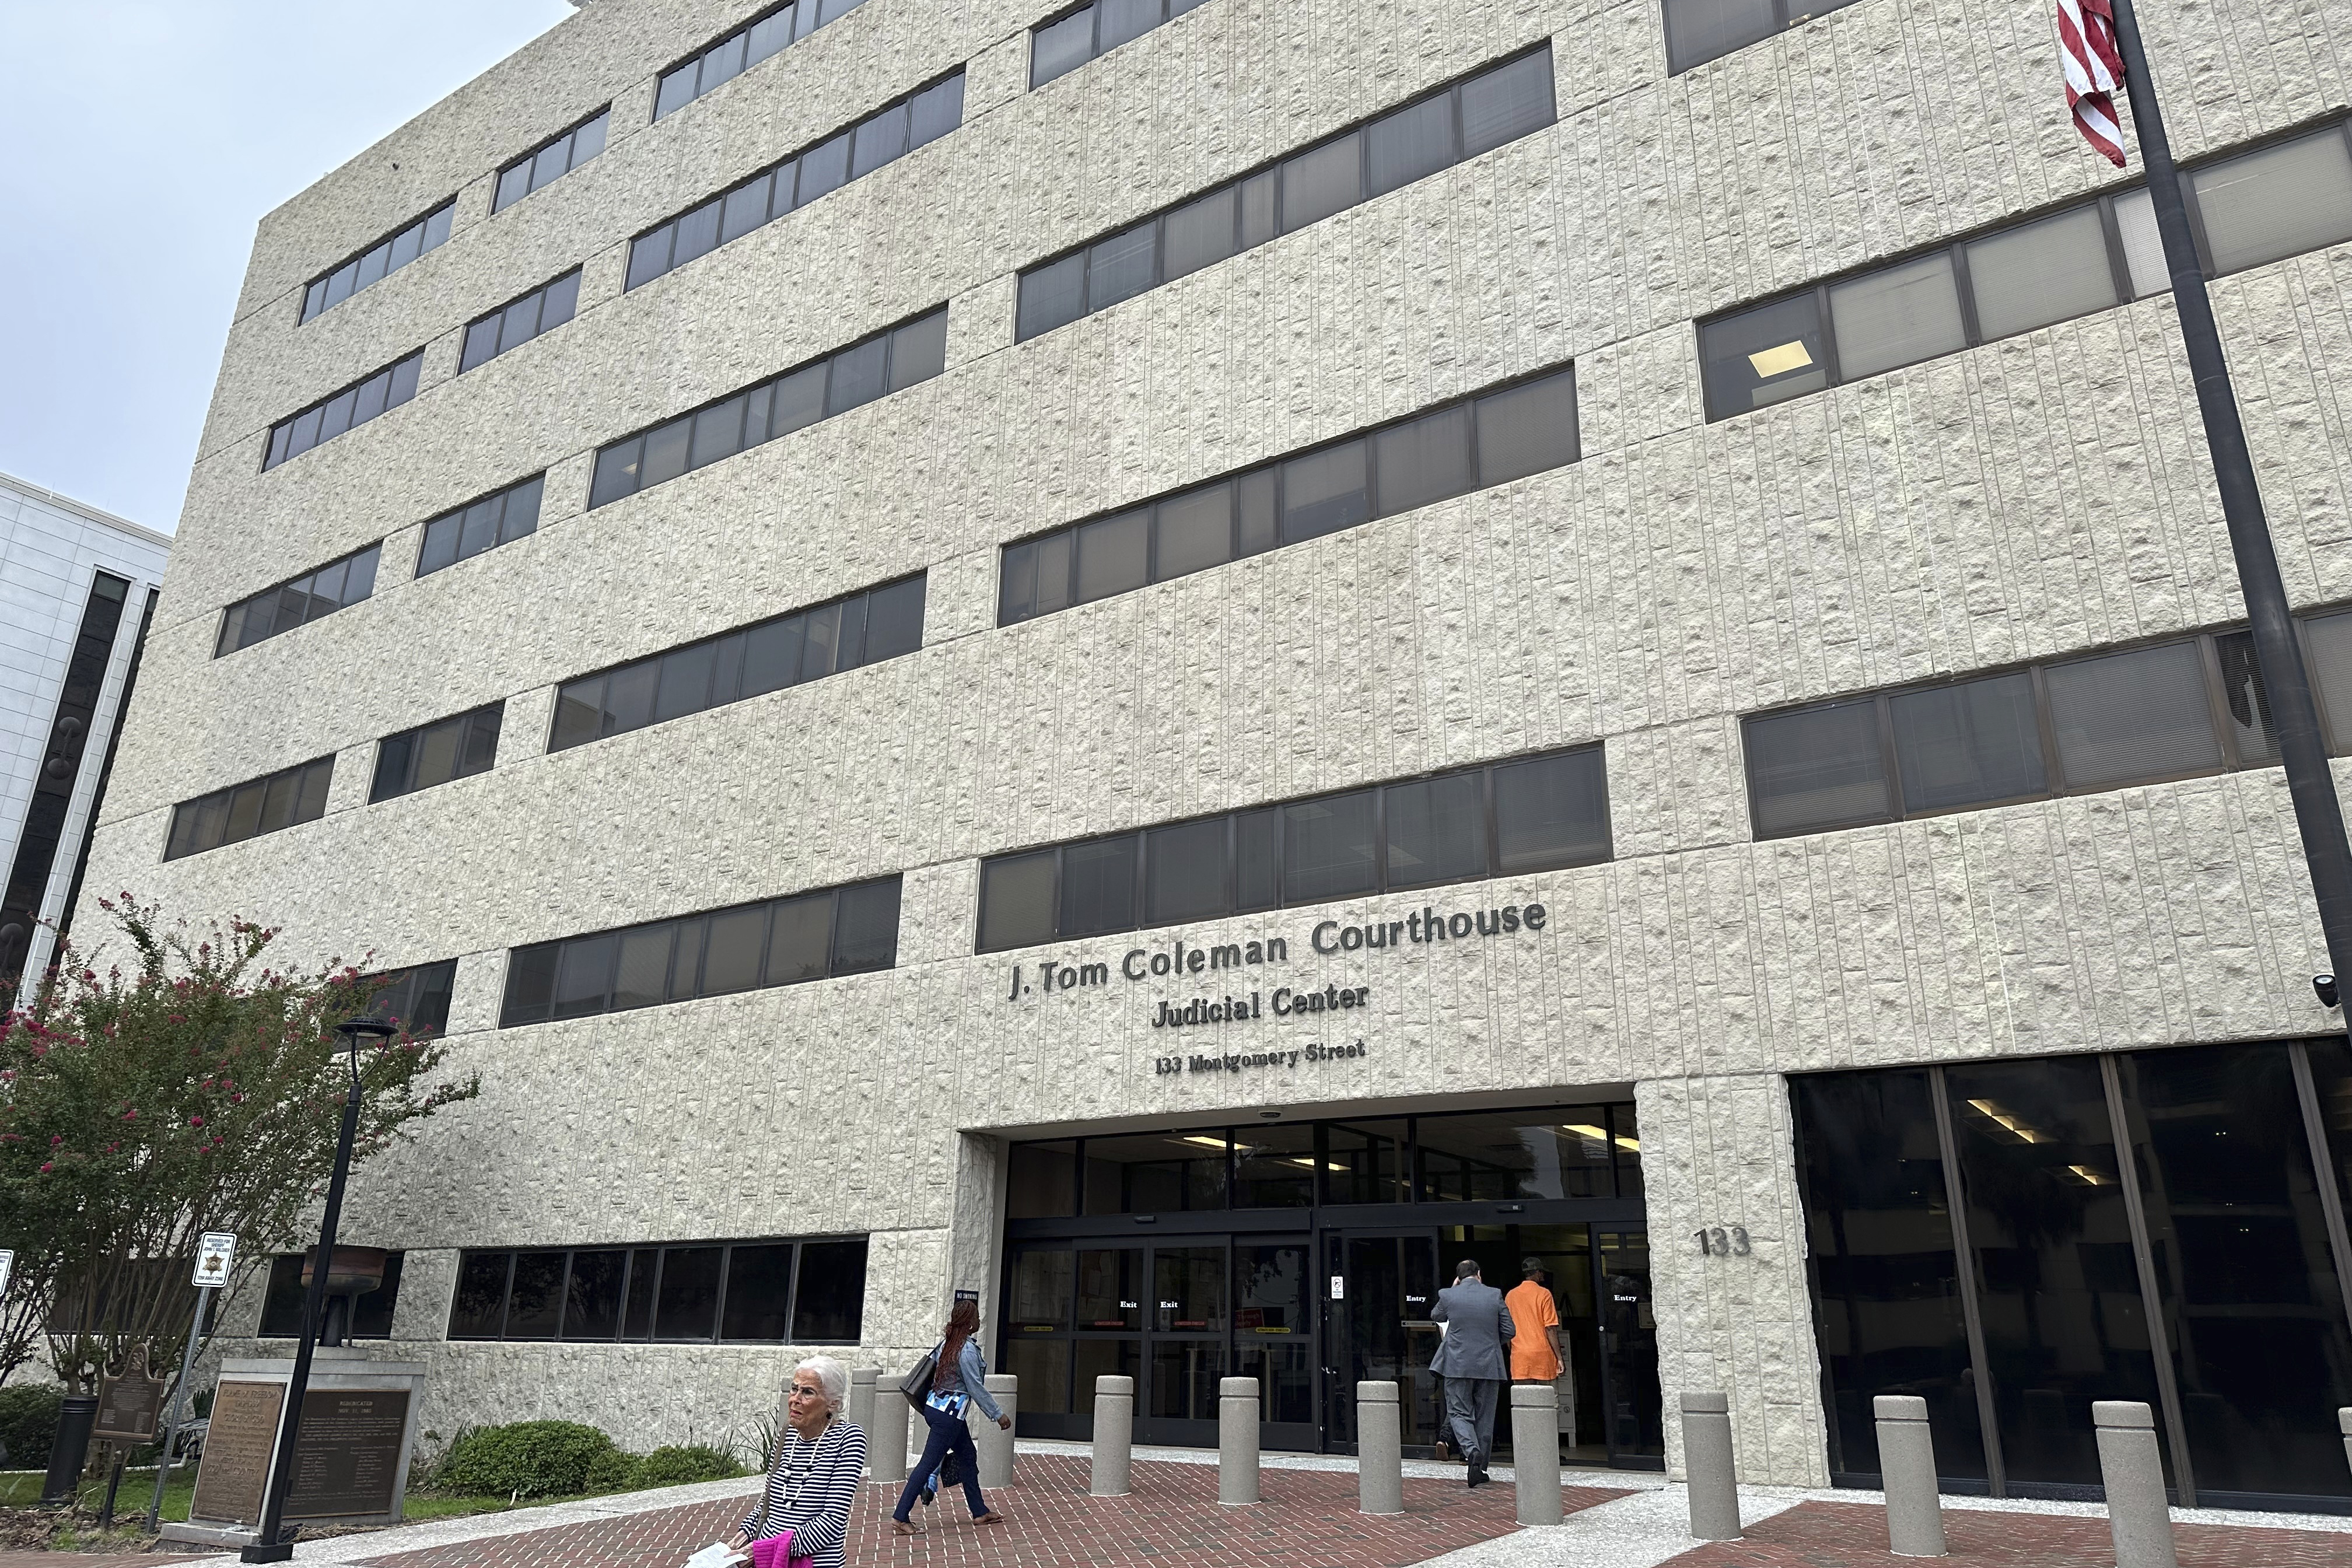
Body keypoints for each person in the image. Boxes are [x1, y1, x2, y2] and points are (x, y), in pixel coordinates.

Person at [721, 1355, 867, 1568]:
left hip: (814, 1562)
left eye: (807, 1392)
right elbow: (767, 1504)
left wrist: (763, 1550)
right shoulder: (786, 1436)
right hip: (768, 1561)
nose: (795, 1399)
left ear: (833, 1403)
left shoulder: (848, 1438)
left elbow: (832, 1520)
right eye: (794, 1389)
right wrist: (740, 1538)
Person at [892, 1298, 1010, 1534]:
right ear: (968, 1323)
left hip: (936, 1410)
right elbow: (975, 1387)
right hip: (949, 1416)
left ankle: (979, 1512)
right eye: (976, 1317)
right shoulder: (965, 1350)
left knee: (967, 1454)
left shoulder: (948, 1344)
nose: (979, 1320)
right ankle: (900, 1516)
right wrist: (998, 1415)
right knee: (927, 1464)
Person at [1429, 1258, 1514, 1487]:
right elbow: (1510, 1330)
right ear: (1479, 1273)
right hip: (1489, 1364)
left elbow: (1436, 1316)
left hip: (1457, 1364)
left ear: (1459, 1277)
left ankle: (1471, 1450)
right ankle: (1480, 1468)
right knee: (1485, 1418)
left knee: (1458, 1412)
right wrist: (1491, 1344)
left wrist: (1454, 1289)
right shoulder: (1494, 1294)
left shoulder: (1448, 1295)